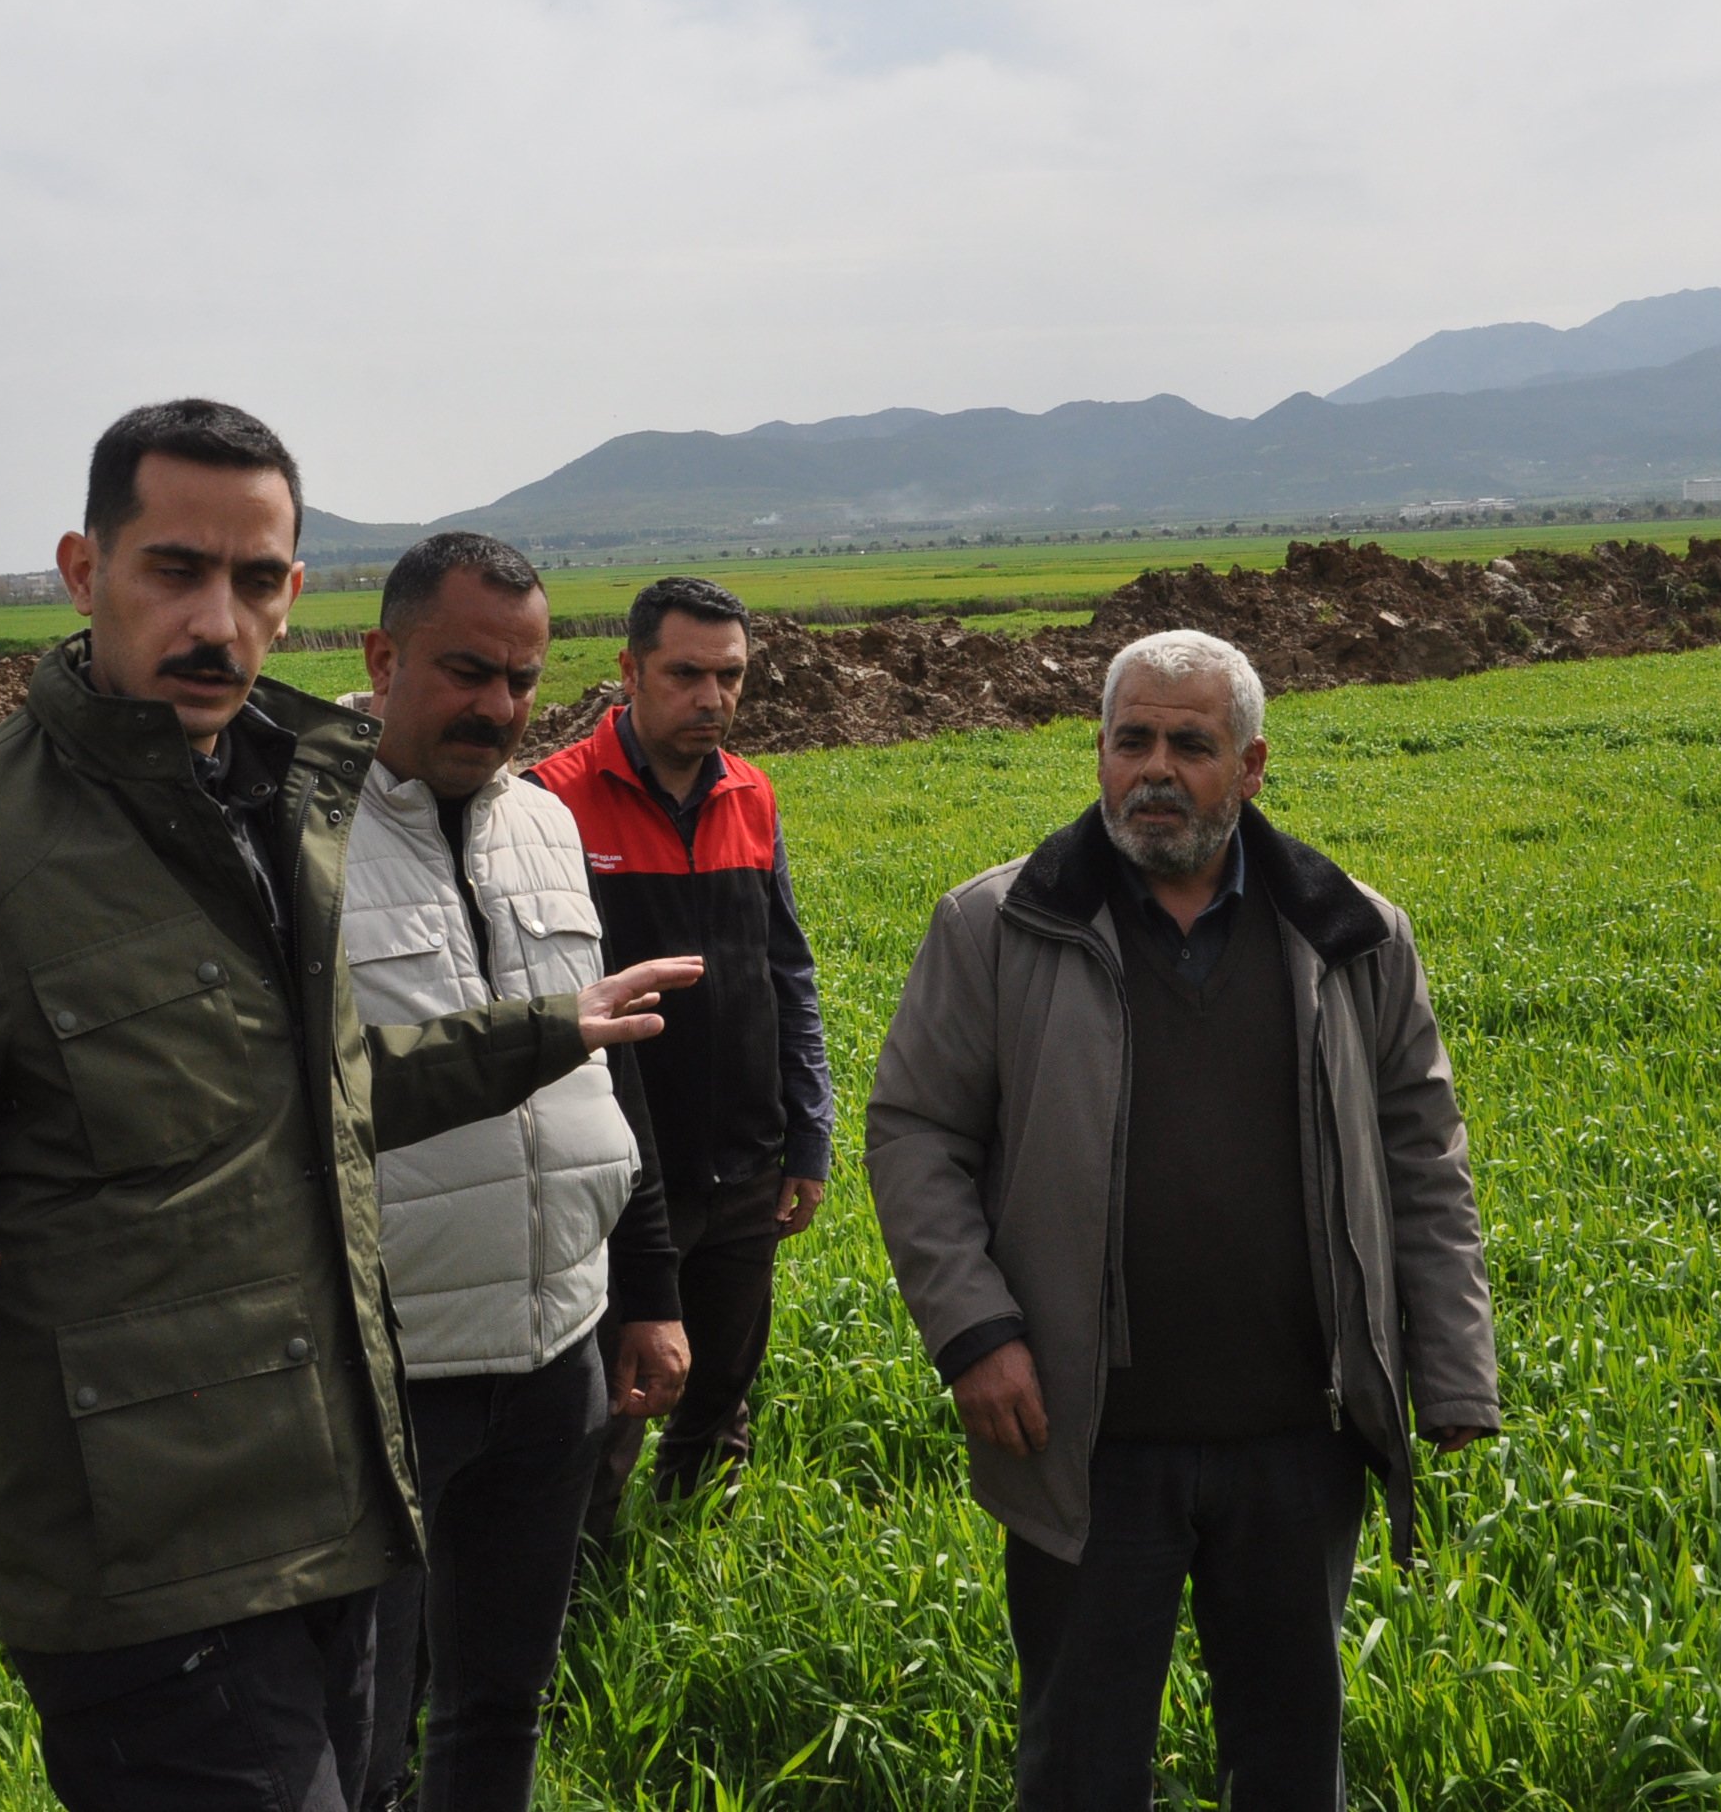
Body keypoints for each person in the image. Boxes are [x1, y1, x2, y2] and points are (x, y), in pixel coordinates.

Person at [0, 403, 696, 1812]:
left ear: (293, 596)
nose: (216, 619)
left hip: (348, 1505)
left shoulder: (288, 808)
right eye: (174, 571)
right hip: (153, 1574)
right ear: (85, 570)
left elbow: (311, 1098)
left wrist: (540, 1034)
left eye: (255, 581)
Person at [866, 628, 1499, 1810]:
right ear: (1098, 752)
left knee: (1289, 1758)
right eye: (1132, 741)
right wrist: (974, 1331)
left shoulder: (1352, 935)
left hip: (1296, 1442)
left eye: (1191, 745)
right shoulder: (998, 927)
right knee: (1082, 1764)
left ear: (1252, 765)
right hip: (1087, 1441)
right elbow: (915, 1134)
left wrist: (1453, 1377)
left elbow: (1426, 1160)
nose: (1156, 770)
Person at [339, 533, 689, 1812]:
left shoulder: (546, 824)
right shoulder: (294, 839)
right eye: (465, 670)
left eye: (522, 680)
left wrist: (647, 1289)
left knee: (501, 1703)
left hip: (558, 1356)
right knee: (365, 1728)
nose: (495, 705)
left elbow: (613, 1070)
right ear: (383, 659)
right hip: (385, 1370)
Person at [525, 575, 835, 1541]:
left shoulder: (752, 792)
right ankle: (578, 1592)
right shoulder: (552, 802)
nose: (712, 699)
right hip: (621, 1165)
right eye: (687, 674)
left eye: (730, 677)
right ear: (628, 672)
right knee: (617, 1400)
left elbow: (788, 970)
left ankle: (703, 1554)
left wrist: (810, 1132)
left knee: (724, 1381)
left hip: (746, 1154)